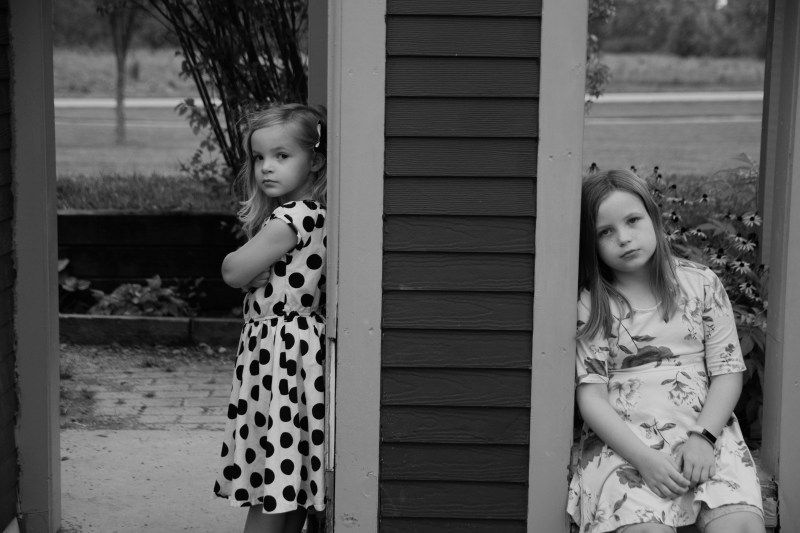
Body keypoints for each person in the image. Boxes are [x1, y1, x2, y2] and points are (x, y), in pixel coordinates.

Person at [567, 169, 764, 533]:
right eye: (605, 232)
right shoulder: (592, 303)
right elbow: (591, 397)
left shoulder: (701, 284)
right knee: (644, 529)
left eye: (633, 220)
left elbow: (727, 372)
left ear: (654, 218)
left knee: (739, 524)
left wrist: (703, 439)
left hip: (704, 430)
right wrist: (644, 459)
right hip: (626, 443)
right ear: (590, 242)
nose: (624, 238)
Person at [213, 103, 328, 533]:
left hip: (278, 355)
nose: (266, 167)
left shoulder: (290, 218)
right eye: (259, 157)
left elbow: (232, 271)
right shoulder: (318, 214)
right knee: (289, 472)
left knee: (269, 477)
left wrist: (242, 270)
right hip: (298, 353)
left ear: (314, 160)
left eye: (282, 156)